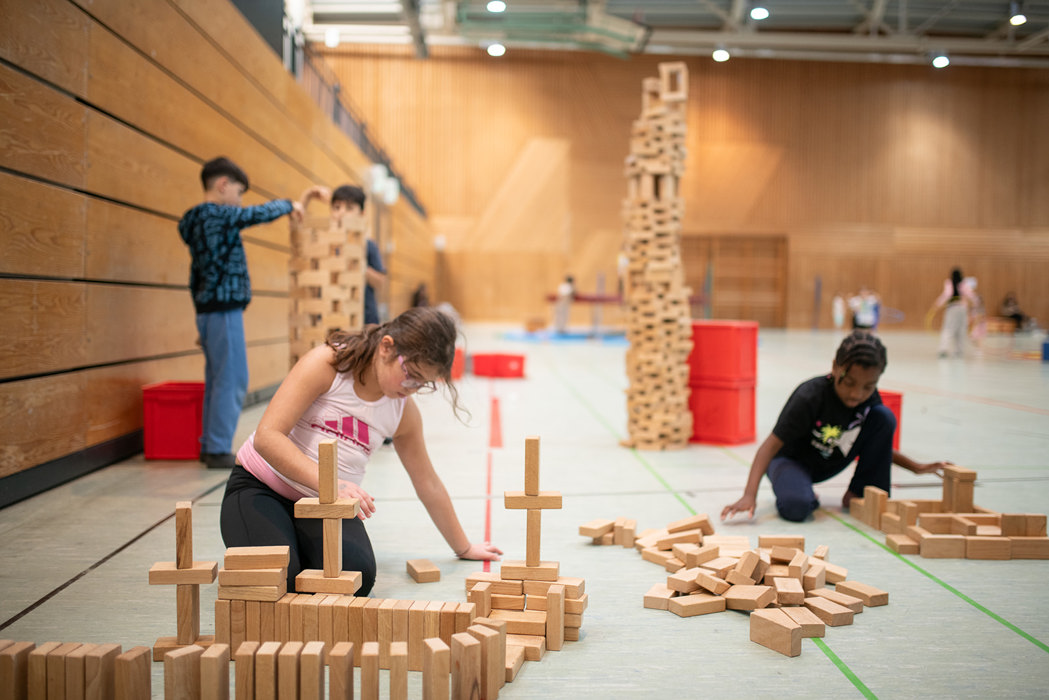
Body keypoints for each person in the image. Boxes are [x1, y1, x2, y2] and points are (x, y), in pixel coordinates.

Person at [219, 307, 503, 596]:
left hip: (326, 505)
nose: (412, 389)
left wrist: (463, 547)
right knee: (278, 576)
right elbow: (267, 437)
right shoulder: (328, 364)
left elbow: (427, 481)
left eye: (422, 384)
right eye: (411, 375)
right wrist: (332, 484)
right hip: (262, 488)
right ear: (386, 347)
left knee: (355, 577)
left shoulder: (402, 412)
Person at [721, 330, 949, 523]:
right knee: (796, 507)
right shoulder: (810, 396)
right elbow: (769, 447)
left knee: (884, 417)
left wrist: (916, 467)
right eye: (849, 383)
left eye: (868, 387)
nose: (856, 394)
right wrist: (749, 495)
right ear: (835, 367)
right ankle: (803, 492)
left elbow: (878, 446)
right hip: (790, 460)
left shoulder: (869, 401)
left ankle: (860, 493)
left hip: (831, 460)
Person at [179, 156, 316, 469]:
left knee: (217, 378)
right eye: (239, 192)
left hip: (207, 310)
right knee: (233, 378)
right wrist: (289, 205)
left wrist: (200, 318)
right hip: (224, 309)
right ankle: (217, 448)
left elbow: (194, 275)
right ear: (223, 185)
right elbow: (256, 214)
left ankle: (210, 444)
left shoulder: (194, 221)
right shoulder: (217, 214)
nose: (240, 201)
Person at [330, 185, 386, 325]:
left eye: (349, 208)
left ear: (362, 213)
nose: (342, 213)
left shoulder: (369, 246)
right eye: (337, 207)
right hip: (334, 317)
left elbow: (380, 281)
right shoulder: (327, 245)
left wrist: (359, 265)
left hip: (364, 318)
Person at [930, 268, 976, 358]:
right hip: (962, 309)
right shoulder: (964, 284)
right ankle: (959, 351)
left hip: (952, 308)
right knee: (961, 330)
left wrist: (937, 304)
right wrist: (976, 303)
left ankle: (943, 349)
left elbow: (946, 295)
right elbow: (971, 295)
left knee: (948, 329)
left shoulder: (949, 283)